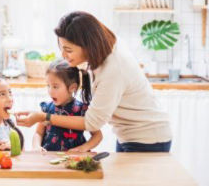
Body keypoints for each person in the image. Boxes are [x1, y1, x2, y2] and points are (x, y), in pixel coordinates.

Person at [17, 11, 172, 152]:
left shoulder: (113, 69)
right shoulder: (103, 51)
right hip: (129, 136)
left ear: (88, 46)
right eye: (62, 48)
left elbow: (92, 124)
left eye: (69, 50)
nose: (63, 55)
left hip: (148, 139)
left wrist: (44, 117)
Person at [33, 60, 102, 152]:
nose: (50, 91)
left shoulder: (82, 110)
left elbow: (97, 135)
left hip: (74, 160)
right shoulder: (46, 109)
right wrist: (36, 147)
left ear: (72, 87)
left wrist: (83, 148)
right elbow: (38, 133)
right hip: (48, 158)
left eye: (55, 86)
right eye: (48, 85)